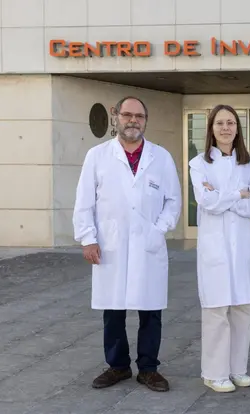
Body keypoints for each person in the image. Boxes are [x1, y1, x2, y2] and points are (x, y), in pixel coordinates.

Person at [73, 96, 182, 392]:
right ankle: (118, 365)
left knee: (151, 310)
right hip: (111, 245)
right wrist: (88, 238)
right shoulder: (97, 156)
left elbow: (173, 201)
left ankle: (148, 368)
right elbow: (84, 201)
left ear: (145, 120)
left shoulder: (161, 157)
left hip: (148, 245)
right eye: (127, 115)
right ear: (116, 117)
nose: (133, 120)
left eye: (139, 116)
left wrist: (159, 230)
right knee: (113, 309)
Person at [189, 105, 250, 393]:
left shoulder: (248, 164)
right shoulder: (199, 164)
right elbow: (206, 202)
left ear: (237, 128)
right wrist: (238, 194)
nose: (225, 128)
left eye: (231, 122)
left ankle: (238, 369)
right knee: (217, 309)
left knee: (243, 307)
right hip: (215, 246)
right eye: (220, 123)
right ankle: (214, 372)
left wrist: (223, 197)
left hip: (241, 244)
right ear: (211, 129)